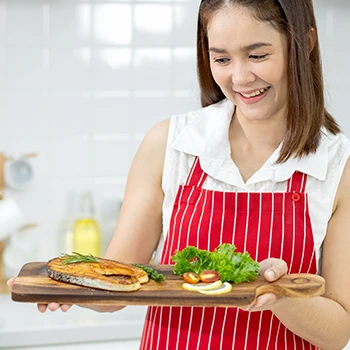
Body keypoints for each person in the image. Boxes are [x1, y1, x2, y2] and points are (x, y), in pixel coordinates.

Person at [8, 0, 350, 348]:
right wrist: (73, 287)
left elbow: (339, 331)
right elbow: (121, 284)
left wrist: (278, 295)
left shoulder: (338, 165)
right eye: (221, 59)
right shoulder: (171, 145)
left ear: (305, 44)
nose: (240, 77)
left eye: (258, 55)